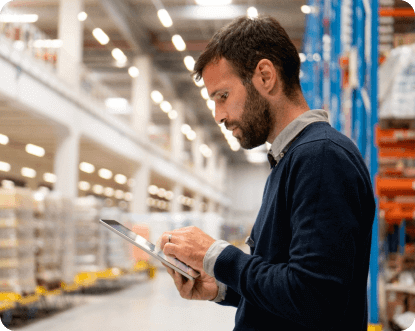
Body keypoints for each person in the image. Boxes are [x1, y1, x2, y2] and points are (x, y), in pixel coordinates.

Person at [159, 15, 376, 331]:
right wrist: (222, 287)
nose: (219, 115)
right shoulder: (290, 160)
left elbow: (315, 299)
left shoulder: (321, 158)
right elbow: (286, 287)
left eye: (223, 96)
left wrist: (217, 255)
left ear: (265, 76)